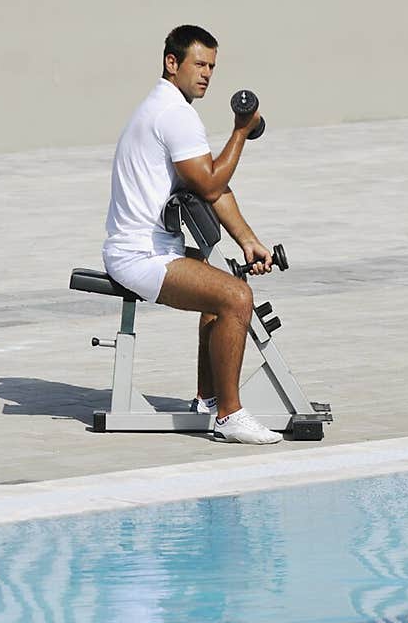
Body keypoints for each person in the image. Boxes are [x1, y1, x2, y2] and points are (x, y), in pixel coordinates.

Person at [102, 24, 283, 445]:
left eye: (212, 67)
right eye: (199, 64)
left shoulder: (166, 109)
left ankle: (208, 400)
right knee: (237, 297)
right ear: (172, 63)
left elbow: (210, 186)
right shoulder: (174, 114)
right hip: (139, 256)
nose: (206, 74)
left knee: (222, 287)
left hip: (147, 250)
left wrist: (248, 240)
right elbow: (210, 184)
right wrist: (241, 131)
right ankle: (229, 416)